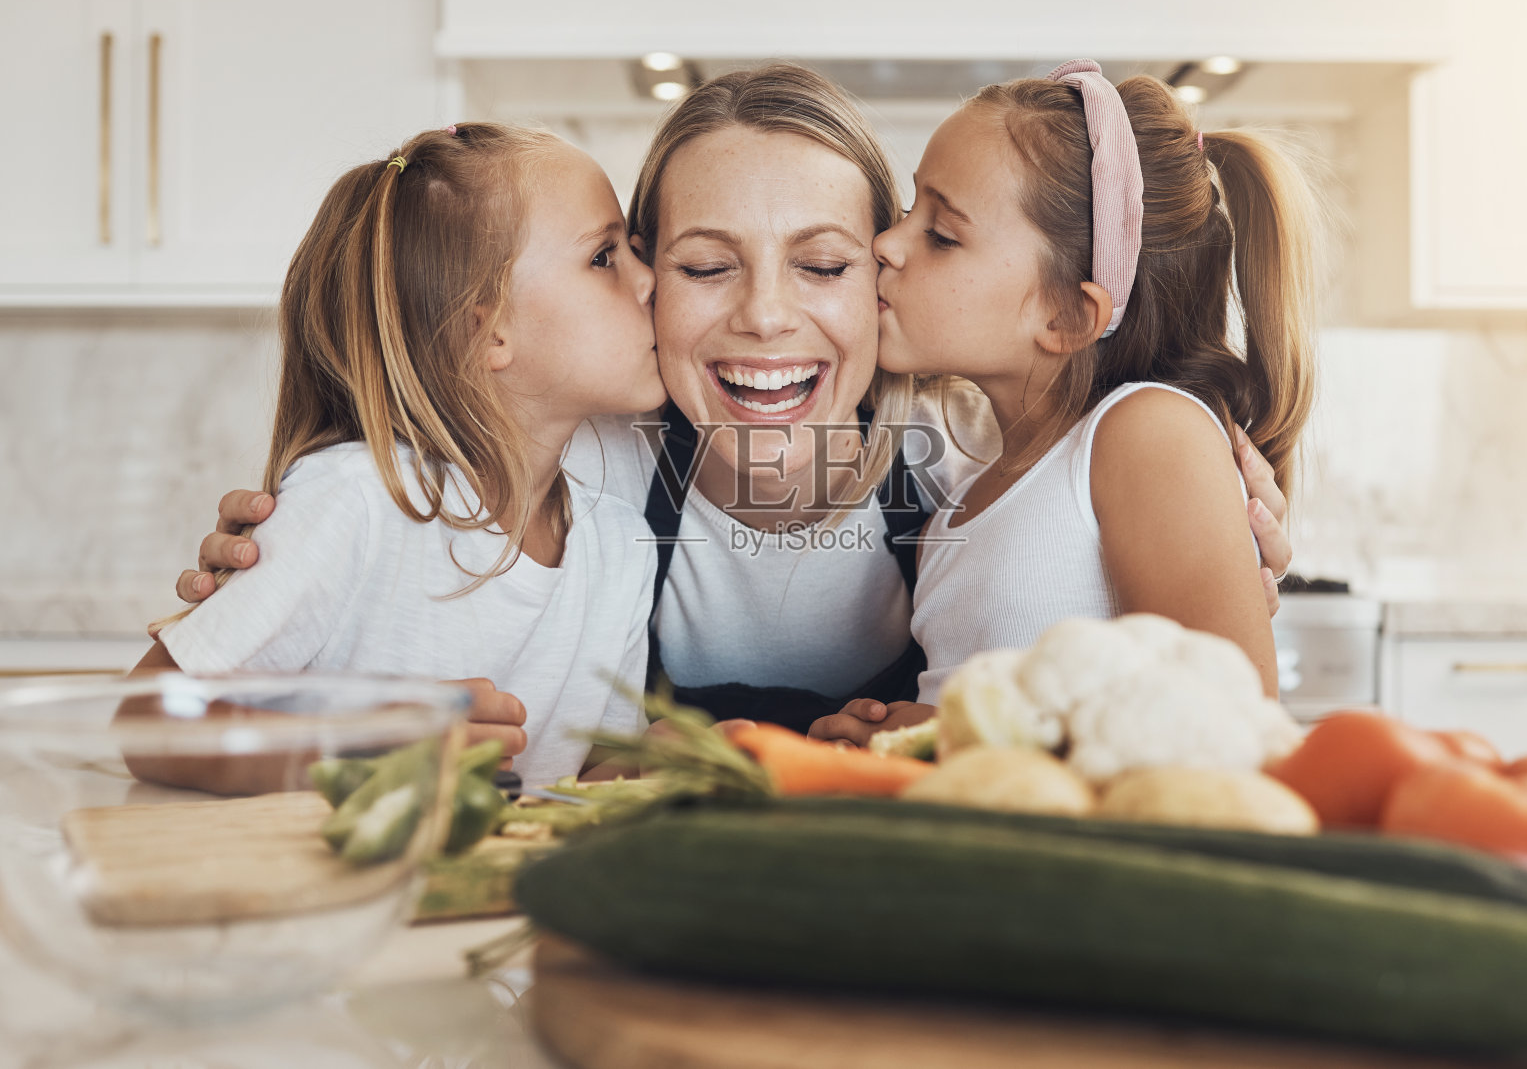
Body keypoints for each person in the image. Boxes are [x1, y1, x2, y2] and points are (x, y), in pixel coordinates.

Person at [164, 65, 1296, 736]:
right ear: (641, 284)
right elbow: (417, 516)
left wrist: (1211, 501)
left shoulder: (962, 478)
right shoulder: (588, 470)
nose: (763, 317)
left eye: (823, 264)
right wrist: (301, 554)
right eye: (705, 268)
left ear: (887, 272)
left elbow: (1139, 617)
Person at [130, 122, 664, 786]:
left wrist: (667, 761)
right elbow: (147, 720)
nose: (651, 280)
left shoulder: (620, 542)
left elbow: (589, 771)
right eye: (604, 257)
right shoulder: (358, 499)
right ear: (488, 330)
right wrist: (361, 747)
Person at [813, 61, 1319, 745]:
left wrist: (949, 738)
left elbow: (1231, 732)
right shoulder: (963, 498)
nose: (886, 243)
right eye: (910, 211)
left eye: (941, 234)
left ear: (1068, 318)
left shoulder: (1145, 431)